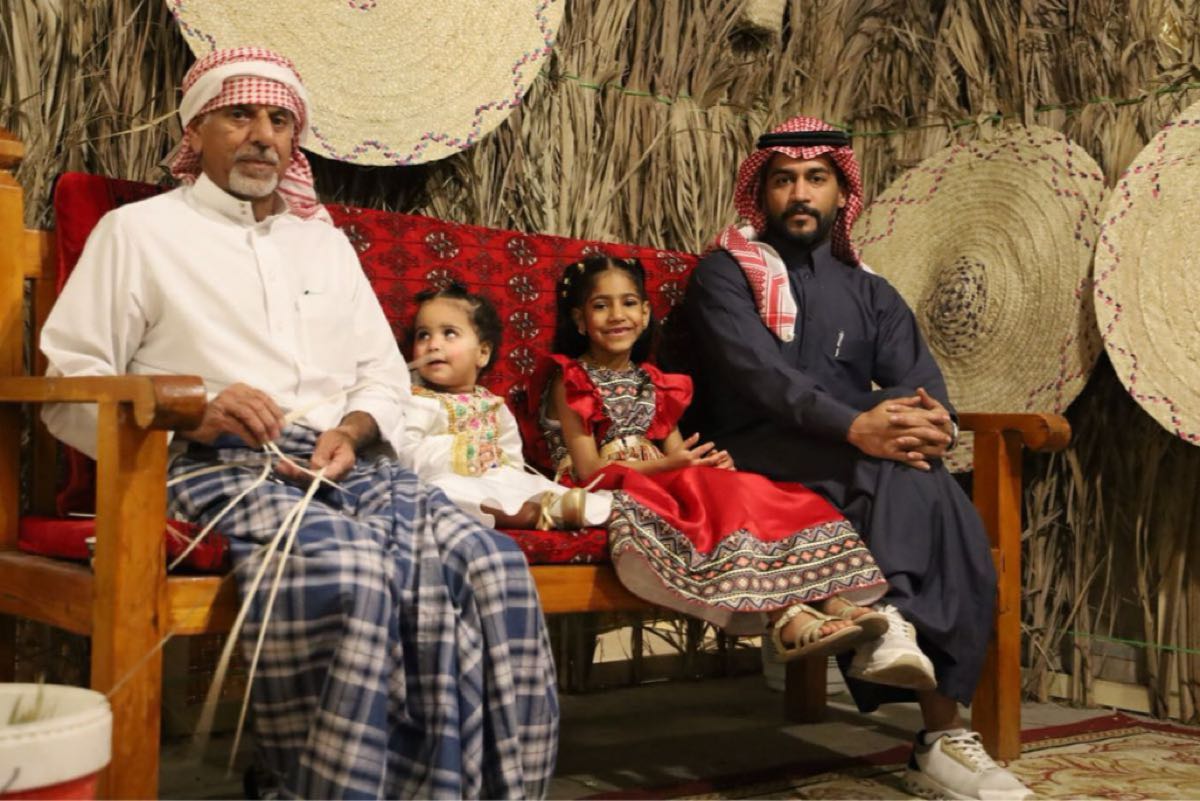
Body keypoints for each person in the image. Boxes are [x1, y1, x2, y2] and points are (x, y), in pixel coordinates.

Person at [39, 46, 557, 799]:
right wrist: (192, 412)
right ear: (197, 130)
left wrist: (354, 429)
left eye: (280, 121)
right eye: (240, 115)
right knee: (350, 570)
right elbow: (69, 385)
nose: (264, 136)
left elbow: (383, 376)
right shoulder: (138, 233)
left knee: (492, 567)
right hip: (216, 463)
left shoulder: (323, 243)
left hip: (350, 462)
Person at [671, 114, 1030, 800]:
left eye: (816, 178)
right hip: (750, 450)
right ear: (762, 193)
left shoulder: (872, 291)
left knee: (922, 473)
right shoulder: (726, 274)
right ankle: (935, 724)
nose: (800, 193)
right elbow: (759, 381)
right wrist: (857, 423)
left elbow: (923, 385)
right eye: (783, 180)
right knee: (901, 470)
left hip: (850, 450)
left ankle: (897, 633)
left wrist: (929, 424)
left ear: (842, 193)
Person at [529, 254, 891, 661]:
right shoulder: (571, 379)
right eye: (601, 305)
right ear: (580, 320)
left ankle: (830, 595)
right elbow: (589, 470)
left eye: (628, 303)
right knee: (713, 493)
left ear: (645, 314)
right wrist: (675, 466)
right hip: (607, 487)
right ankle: (784, 617)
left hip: (663, 476)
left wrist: (705, 465)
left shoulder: (654, 382)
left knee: (745, 487)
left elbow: (677, 452)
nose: (617, 315)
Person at [397, 283, 611, 529]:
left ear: (482, 353)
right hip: (447, 481)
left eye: (449, 333)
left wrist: (506, 467)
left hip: (495, 480)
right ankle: (531, 515)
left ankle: (570, 508)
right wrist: (459, 451)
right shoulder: (418, 401)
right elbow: (403, 455)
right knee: (439, 490)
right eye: (423, 335)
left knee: (531, 484)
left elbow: (512, 454)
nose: (433, 344)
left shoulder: (494, 405)